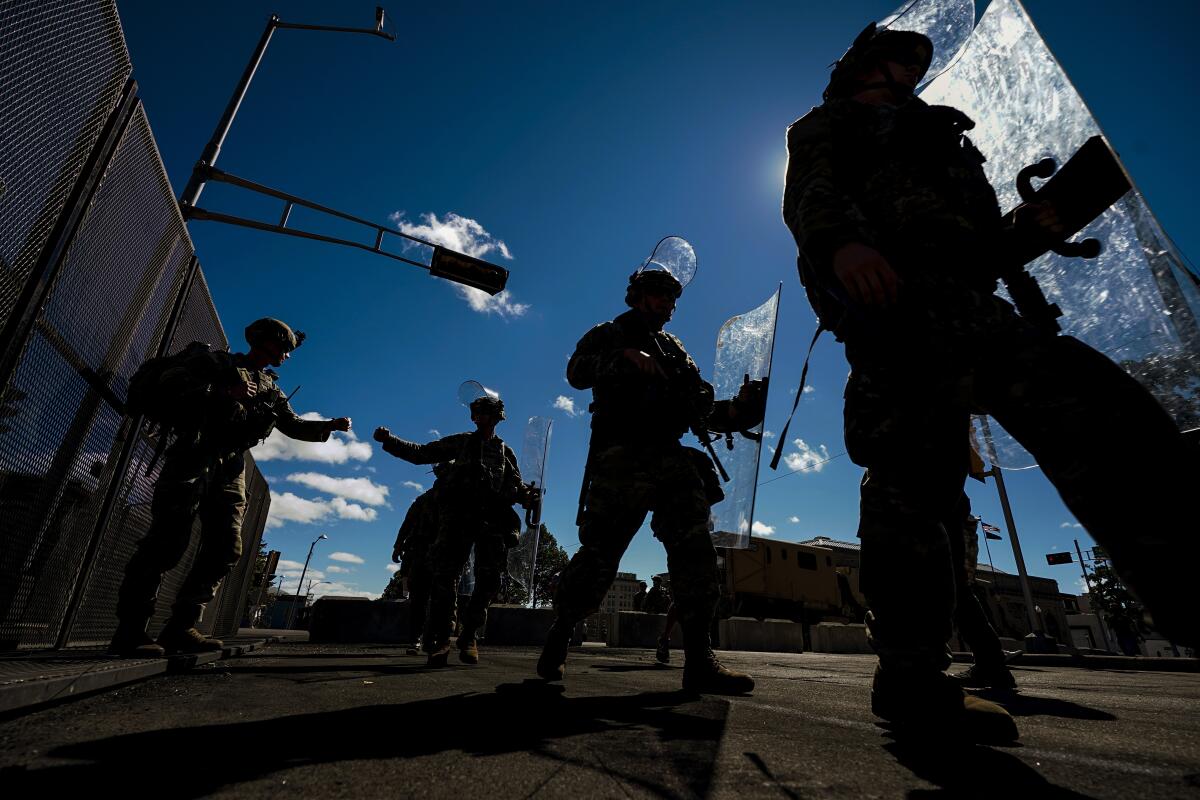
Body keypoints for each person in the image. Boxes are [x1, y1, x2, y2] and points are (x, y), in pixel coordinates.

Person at [782, 22, 1198, 741]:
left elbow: (978, 242)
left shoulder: (944, 137)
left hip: (976, 308)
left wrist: (1034, 223)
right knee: (913, 489)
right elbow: (811, 196)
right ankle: (910, 678)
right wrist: (841, 243)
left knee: (1112, 419)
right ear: (861, 64)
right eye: (900, 57)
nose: (913, 68)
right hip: (894, 309)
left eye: (919, 60)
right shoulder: (829, 124)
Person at [536, 265, 766, 695]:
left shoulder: (675, 349)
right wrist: (622, 359)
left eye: (673, 299)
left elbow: (701, 407)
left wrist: (740, 410)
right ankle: (562, 628)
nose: (668, 305)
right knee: (601, 553)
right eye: (660, 295)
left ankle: (699, 658)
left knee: (695, 551)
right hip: (621, 456)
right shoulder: (609, 333)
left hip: (671, 459)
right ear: (638, 295)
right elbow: (576, 373)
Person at [110, 318, 351, 657]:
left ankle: (181, 627)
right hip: (193, 454)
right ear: (265, 343)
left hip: (230, 467)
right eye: (283, 347)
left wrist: (330, 426)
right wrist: (222, 392)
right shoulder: (217, 363)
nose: (286, 355)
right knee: (166, 542)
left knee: (225, 546)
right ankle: (130, 630)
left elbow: (292, 426)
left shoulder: (271, 387)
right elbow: (169, 385)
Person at [374, 394, 533, 666]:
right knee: (445, 576)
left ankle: (469, 634)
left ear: (496, 417)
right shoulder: (462, 442)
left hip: (492, 520)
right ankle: (441, 637)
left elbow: (515, 486)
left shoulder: (506, 453)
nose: (479, 418)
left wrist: (528, 496)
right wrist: (390, 441)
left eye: (485, 413)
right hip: (458, 518)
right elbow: (421, 453)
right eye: (476, 414)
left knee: (489, 580)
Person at [390, 462, 451, 655]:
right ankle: (416, 639)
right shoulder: (423, 500)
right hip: (421, 552)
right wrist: (398, 546)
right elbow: (407, 524)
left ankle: (429, 639)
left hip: (442, 554)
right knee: (420, 599)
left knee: (439, 599)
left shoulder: (454, 500)